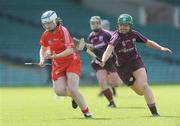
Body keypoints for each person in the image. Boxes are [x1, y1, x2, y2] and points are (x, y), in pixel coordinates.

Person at [100, 14, 172, 116]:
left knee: (144, 86)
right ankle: (140, 89)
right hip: (122, 68)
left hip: (136, 62)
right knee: (140, 92)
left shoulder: (134, 34)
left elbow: (148, 42)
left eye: (126, 25)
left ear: (130, 26)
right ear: (118, 25)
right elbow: (108, 51)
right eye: (121, 25)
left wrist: (161, 48)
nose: (123, 27)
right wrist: (103, 60)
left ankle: (155, 113)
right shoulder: (115, 37)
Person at [38, 10, 92, 118]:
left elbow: (70, 50)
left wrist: (55, 56)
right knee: (58, 91)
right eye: (45, 24)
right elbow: (43, 49)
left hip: (71, 61)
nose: (47, 26)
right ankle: (75, 96)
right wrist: (42, 59)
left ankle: (87, 112)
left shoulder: (63, 31)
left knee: (72, 89)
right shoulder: (45, 34)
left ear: (55, 21)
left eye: (49, 23)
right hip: (58, 64)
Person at [86, 16, 123, 107]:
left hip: (110, 61)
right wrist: (89, 51)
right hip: (98, 62)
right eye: (92, 23)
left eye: (97, 23)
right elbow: (91, 51)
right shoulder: (90, 36)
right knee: (102, 82)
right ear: (90, 25)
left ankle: (117, 75)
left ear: (100, 24)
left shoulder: (107, 34)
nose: (95, 25)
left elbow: (115, 46)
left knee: (117, 83)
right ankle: (111, 103)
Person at [100, 19, 117, 96]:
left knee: (108, 76)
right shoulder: (112, 33)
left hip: (109, 57)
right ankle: (108, 91)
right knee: (106, 76)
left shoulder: (109, 34)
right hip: (105, 56)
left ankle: (108, 91)